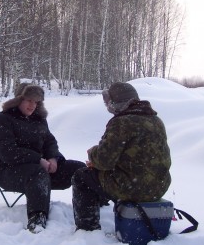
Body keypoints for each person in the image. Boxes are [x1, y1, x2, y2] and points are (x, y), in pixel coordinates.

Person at [72, 82, 172, 231]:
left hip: (133, 187)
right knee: (104, 176)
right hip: (159, 186)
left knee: (81, 177)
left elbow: (104, 160)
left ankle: (88, 228)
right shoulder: (156, 121)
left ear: (115, 102)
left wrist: (92, 153)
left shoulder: (121, 123)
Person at [0, 83, 86, 233]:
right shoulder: (1, 120)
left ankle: (91, 206)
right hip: (8, 172)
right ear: (18, 100)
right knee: (37, 173)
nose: (32, 105)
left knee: (79, 168)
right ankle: (37, 219)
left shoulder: (39, 120)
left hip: (40, 169)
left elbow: (49, 142)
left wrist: (53, 158)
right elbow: (8, 153)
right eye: (29, 100)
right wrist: (39, 160)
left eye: (36, 102)